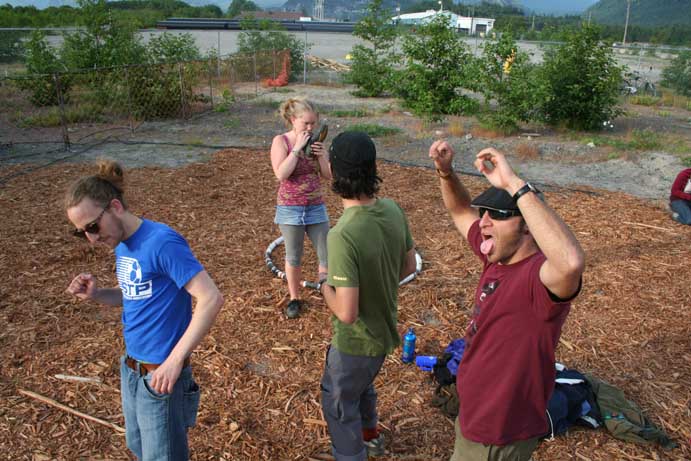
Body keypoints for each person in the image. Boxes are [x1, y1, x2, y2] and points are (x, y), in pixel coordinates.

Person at [429, 142, 585, 461]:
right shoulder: (498, 258)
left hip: (497, 432)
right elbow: (460, 211)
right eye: (484, 212)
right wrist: (446, 173)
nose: (484, 222)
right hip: (475, 414)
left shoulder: (537, 280)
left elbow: (571, 263)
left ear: (527, 225)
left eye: (498, 215)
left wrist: (514, 184)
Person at [64, 160, 224, 461]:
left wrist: (174, 361)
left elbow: (211, 298)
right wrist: (97, 294)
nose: (91, 239)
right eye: (81, 232)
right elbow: (134, 295)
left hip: (161, 376)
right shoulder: (122, 243)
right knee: (139, 448)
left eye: (93, 227)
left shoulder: (161, 242)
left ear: (115, 207)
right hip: (132, 369)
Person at [319, 132, 418, 460]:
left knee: (339, 401)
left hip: (355, 342)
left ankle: (352, 454)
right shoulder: (392, 209)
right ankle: (371, 439)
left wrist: (324, 286)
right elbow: (408, 266)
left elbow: (347, 313)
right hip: (383, 333)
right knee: (362, 387)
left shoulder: (342, 234)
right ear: (373, 168)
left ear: (334, 171)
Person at [271, 98, 331, 319]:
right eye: (306, 123)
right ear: (293, 119)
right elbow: (281, 174)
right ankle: (295, 298)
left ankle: (327, 290)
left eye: (313, 123)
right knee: (294, 255)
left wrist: (322, 156)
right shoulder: (281, 141)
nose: (310, 127)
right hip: (290, 208)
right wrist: (296, 149)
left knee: (326, 252)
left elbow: (328, 175)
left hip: (315, 206)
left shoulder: (316, 143)